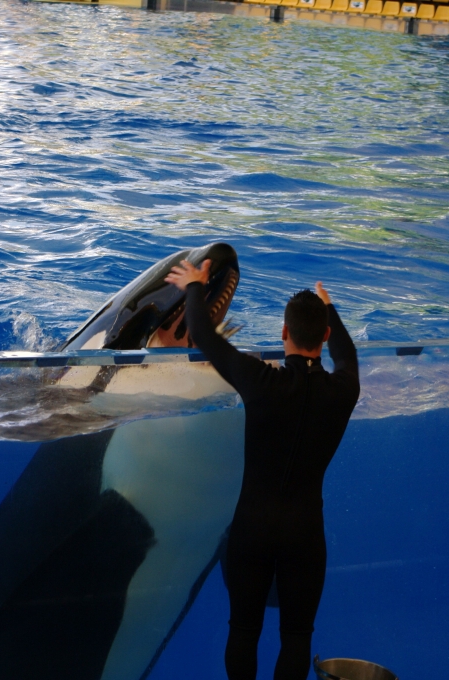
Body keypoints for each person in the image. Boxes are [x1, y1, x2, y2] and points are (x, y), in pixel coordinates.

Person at [165, 259, 360, 680]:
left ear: (284, 333)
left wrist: (195, 287)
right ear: (325, 336)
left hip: (251, 530)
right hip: (305, 534)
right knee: (297, 636)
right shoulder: (343, 390)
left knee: (243, 630)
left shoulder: (262, 381)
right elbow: (347, 356)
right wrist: (329, 308)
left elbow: (203, 336)